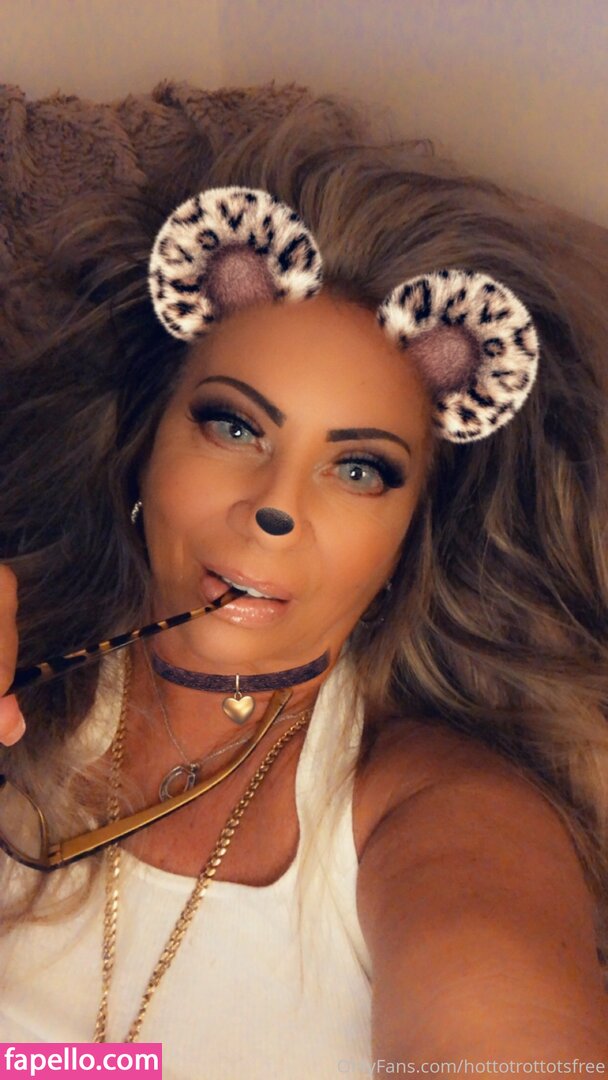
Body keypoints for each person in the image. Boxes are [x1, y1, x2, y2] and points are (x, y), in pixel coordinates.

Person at [0, 87, 607, 1073]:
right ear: (143, 440)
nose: (275, 508)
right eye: (234, 426)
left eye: (359, 469)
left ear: (412, 535)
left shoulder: (443, 818)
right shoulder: (27, 675)